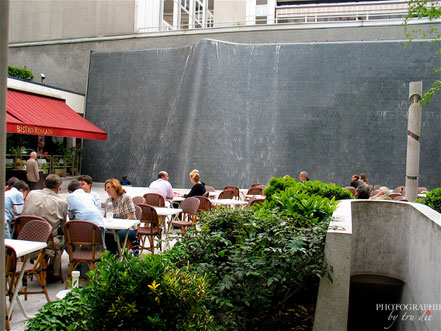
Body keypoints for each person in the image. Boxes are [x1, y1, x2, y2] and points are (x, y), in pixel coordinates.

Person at [22, 174, 68, 280]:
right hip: (46, 241)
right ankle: (54, 269)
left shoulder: (31, 194)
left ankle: (45, 264)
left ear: (44, 184)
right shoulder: (62, 202)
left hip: (26, 238)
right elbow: (63, 225)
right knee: (65, 238)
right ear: (58, 187)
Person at [104, 178, 138, 256]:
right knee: (103, 234)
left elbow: (130, 217)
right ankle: (112, 256)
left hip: (128, 228)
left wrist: (117, 226)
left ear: (115, 187)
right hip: (113, 228)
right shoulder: (108, 201)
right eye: (106, 189)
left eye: (109, 187)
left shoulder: (126, 198)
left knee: (112, 236)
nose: (107, 190)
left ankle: (114, 256)